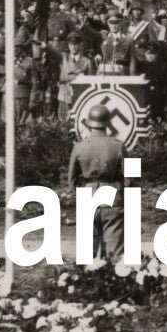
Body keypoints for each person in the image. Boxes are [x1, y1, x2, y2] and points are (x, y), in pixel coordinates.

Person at [66, 101, 128, 264]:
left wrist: (79, 194)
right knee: (115, 256)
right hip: (113, 198)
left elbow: (71, 179)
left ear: (89, 124)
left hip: (87, 196)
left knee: (86, 255)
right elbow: (132, 177)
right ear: (107, 123)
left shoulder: (79, 147)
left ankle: (87, 278)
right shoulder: (119, 145)